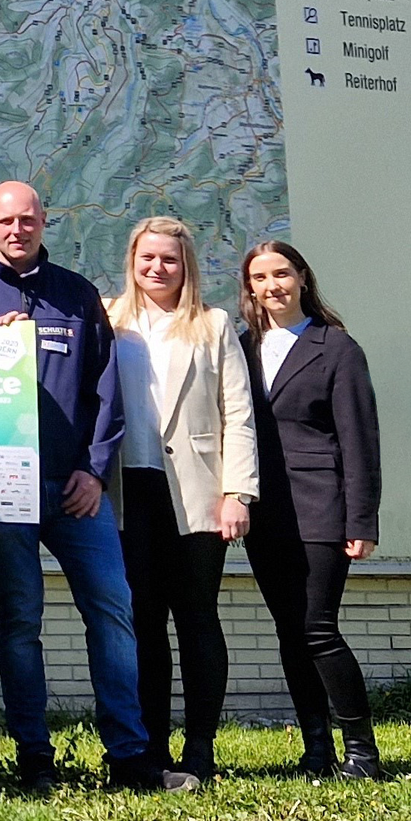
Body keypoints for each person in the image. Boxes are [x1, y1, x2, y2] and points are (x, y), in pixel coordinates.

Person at [0, 182, 194, 793]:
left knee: (113, 611)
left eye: (28, 219)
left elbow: (106, 391)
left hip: (75, 490)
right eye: (6, 221)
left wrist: (94, 470)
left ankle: (129, 756)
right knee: (20, 620)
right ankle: (34, 758)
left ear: (43, 222)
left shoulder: (76, 295)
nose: (17, 230)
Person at [107, 217, 259, 782]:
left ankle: (200, 747)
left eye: (169, 259)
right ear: (133, 260)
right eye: (147, 258)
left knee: (195, 617)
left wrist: (238, 492)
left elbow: (238, 414)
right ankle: (150, 747)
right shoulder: (111, 319)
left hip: (198, 492)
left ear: (185, 264)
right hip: (130, 491)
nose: (157, 268)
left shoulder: (213, 324)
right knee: (142, 622)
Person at [239, 240, 384, 781]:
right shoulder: (243, 347)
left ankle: (362, 754)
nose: (272, 285)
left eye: (282, 273)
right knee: (289, 632)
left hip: (323, 509)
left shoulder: (337, 348)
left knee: (319, 629)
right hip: (267, 514)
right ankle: (316, 751)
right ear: (249, 287)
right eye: (260, 277)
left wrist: (361, 521)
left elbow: (360, 440)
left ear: (301, 277)